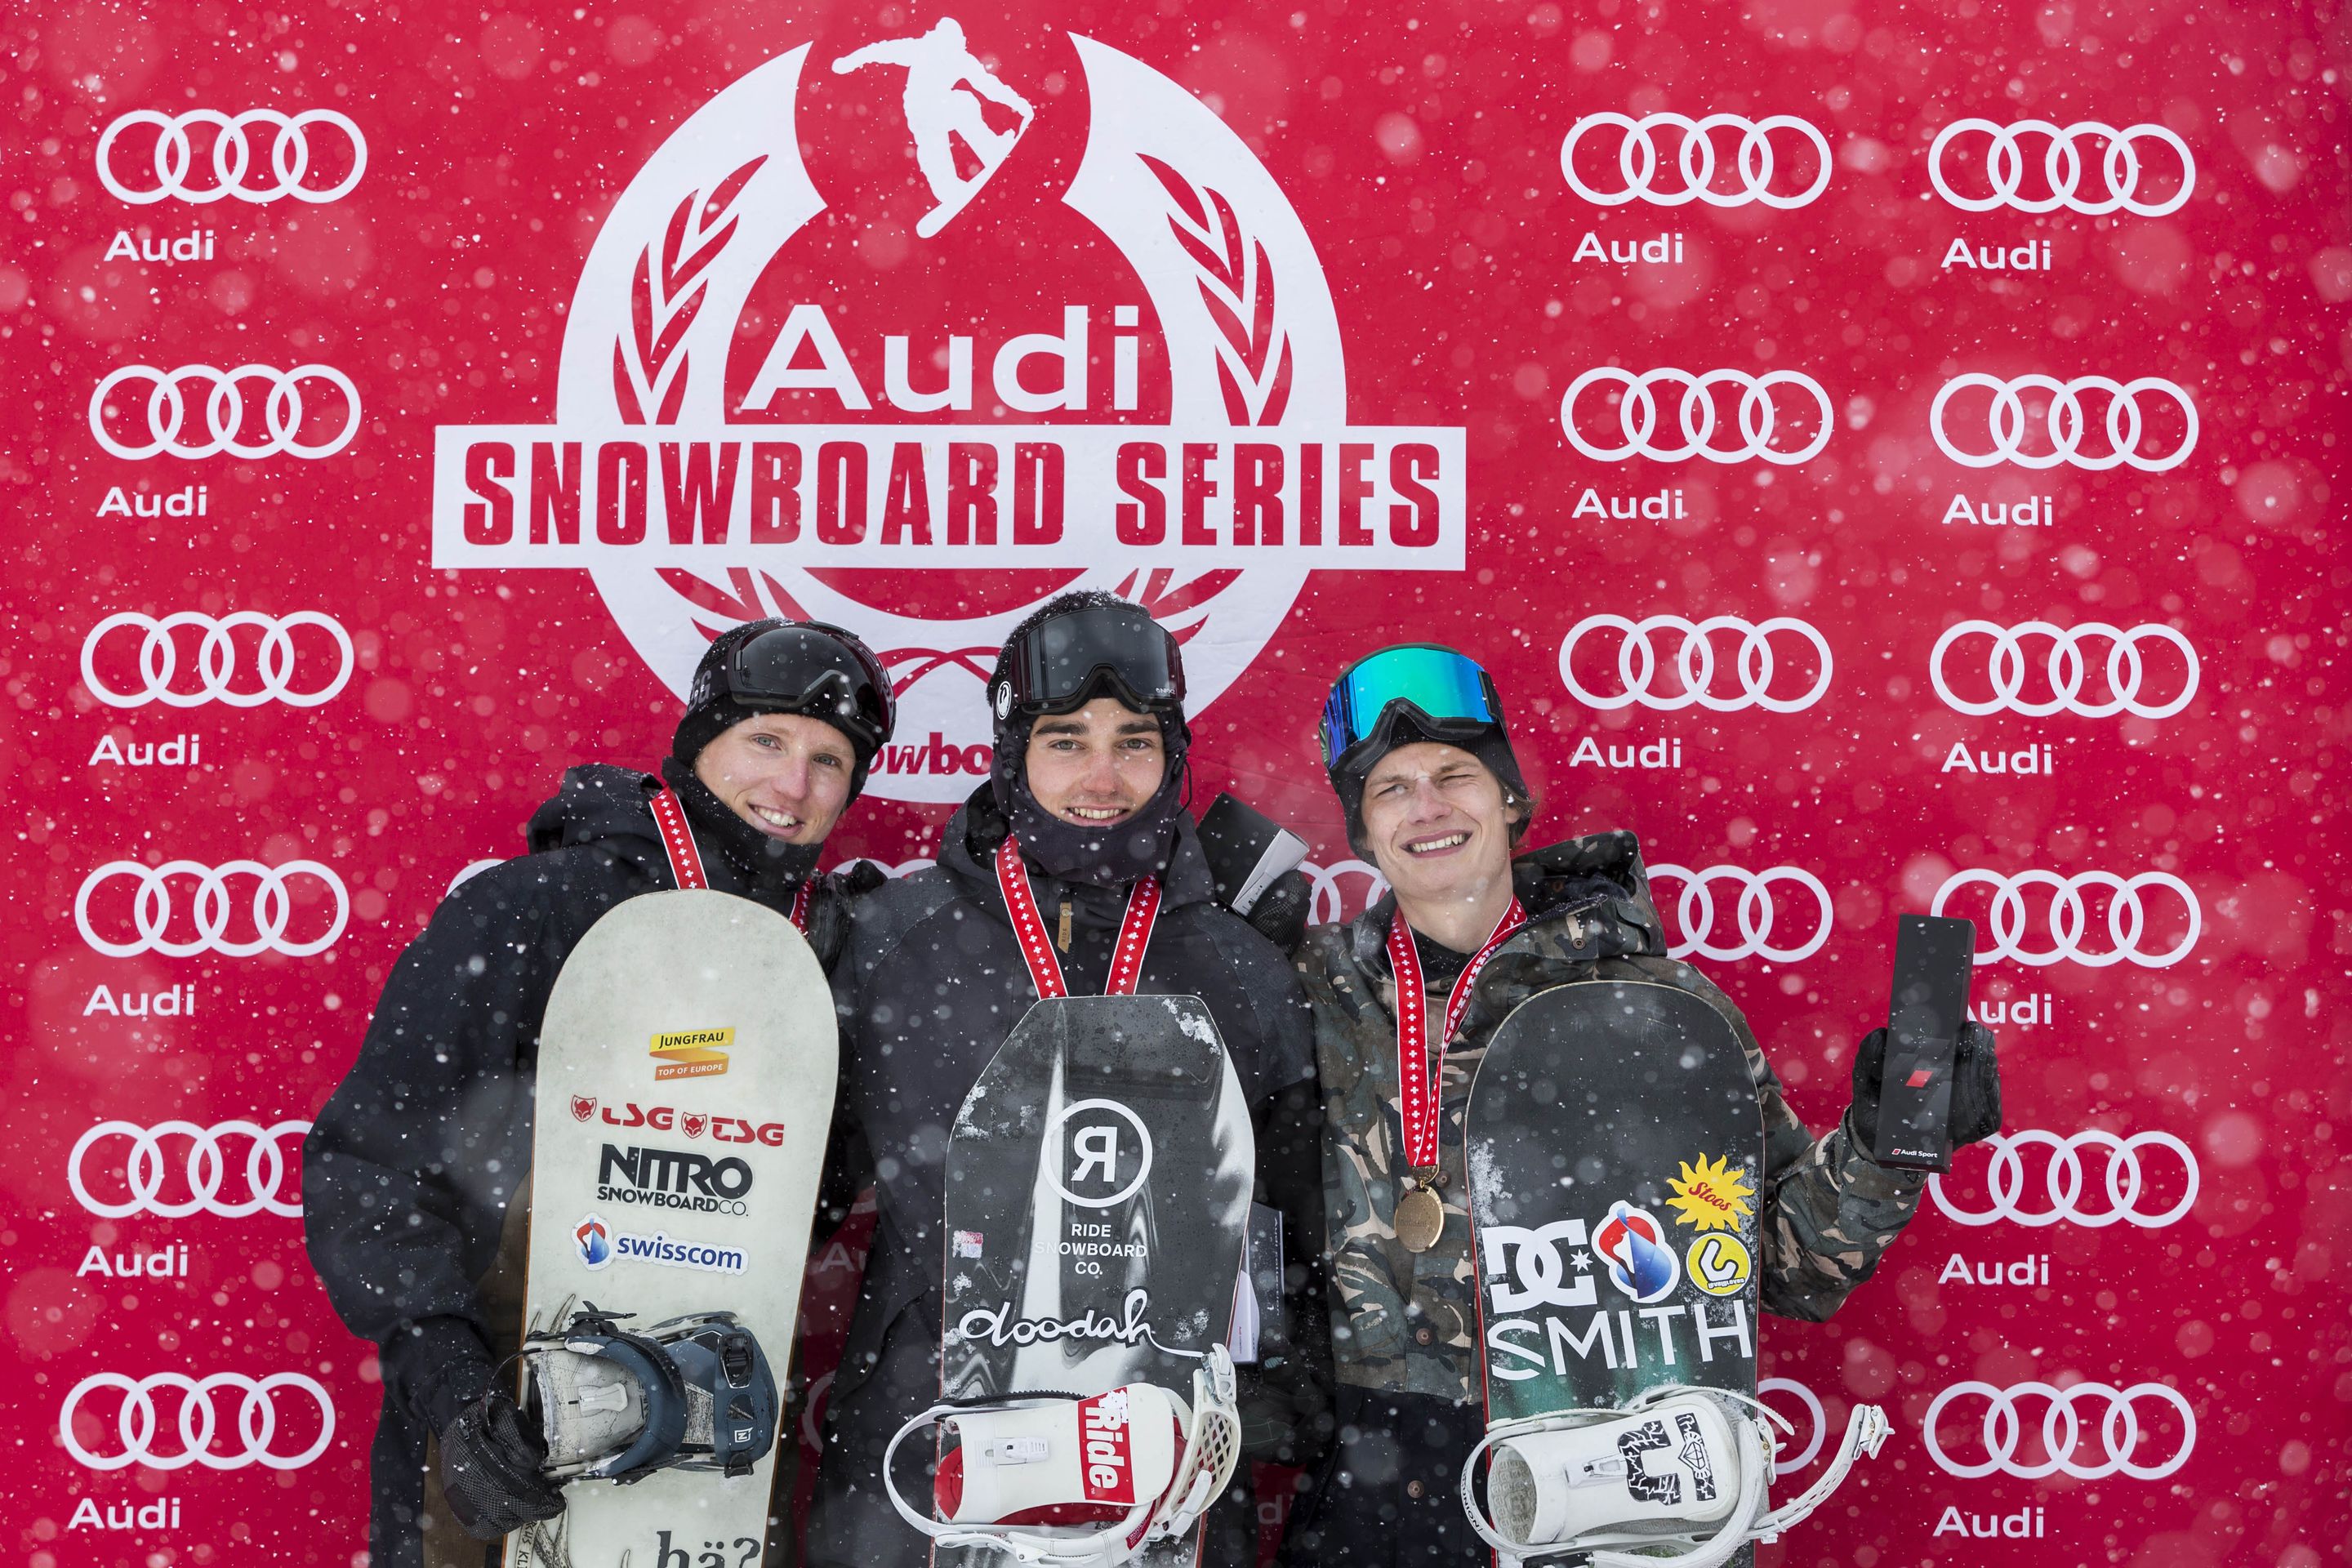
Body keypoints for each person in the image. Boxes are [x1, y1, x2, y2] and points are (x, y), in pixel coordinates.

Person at [1279, 644, 2002, 1565]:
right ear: (1362, 831)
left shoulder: (1658, 1009)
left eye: (1455, 775)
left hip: (1608, 1462)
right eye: (1391, 789)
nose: (1427, 807)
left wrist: (1887, 1143)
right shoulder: (1314, 997)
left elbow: (1785, 1266)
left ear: (1509, 798)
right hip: (1380, 1484)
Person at [304, 619, 897, 1568]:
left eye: (829, 762)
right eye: (768, 742)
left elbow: (810, 1206)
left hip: (714, 1423)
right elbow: (373, 1168)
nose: (793, 787)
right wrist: (453, 1386)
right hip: (502, 1403)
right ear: (700, 745)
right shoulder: (533, 908)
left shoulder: (826, 960)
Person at [804, 591, 1327, 1566]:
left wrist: (1281, 1366)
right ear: (1013, 754)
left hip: (1163, 1440)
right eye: (1066, 740)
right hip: (929, 1433)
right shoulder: (893, 940)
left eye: (1135, 741)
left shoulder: (1240, 966)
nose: (1102, 775)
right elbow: (802, 1192)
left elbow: (1279, 1206)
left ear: (1172, 755)